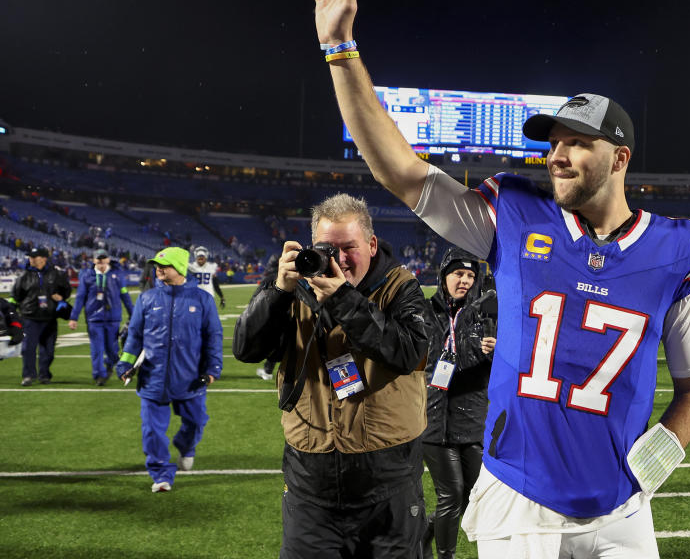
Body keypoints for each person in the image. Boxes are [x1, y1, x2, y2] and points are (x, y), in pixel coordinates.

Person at [311, 0, 690, 557]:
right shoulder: (515, 215)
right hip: (520, 496)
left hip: (622, 506)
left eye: (577, 143)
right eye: (552, 142)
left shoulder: (678, 249)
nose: (557, 155)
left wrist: (656, 460)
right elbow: (401, 171)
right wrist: (340, 52)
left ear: (620, 158)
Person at [232, 193, 434, 559]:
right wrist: (278, 290)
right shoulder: (291, 287)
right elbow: (247, 349)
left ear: (372, 245)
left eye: (349, 247)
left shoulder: (400, 286)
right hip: (310, 482)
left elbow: (409, 352)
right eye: (329, 248)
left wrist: (342, 298)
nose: (339, 259)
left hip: (387, 481)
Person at [115, 247, 222, 492]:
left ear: (181, 268)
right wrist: (125, 363)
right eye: (157, 265)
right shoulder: (147, 298)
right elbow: (135, 336)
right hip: (153, 379)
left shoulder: (202, 299)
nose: (159, 269)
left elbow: (213, 337)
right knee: (152, 431)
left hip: (191, 379)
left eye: (165, 265)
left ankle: (185, 446)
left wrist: (213, 367)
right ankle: (161, 474)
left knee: (196, 423)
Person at [422, 249, 496, 559]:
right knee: (450, 494)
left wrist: (493, 351)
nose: (464, 280)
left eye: (470, 276)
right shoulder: (425, 311)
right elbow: (427, 357)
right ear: (443, 277)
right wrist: (473, 350)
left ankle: (423, 534)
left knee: (470, 495)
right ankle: (446, 556)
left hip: (472, 418)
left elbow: (500, 365)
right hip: (435, 417)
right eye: (458, 274)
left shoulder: (486, 314)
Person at [68, 248, 135, 385]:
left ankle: (110, 364)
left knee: (112, 348)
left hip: (113, 318)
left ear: (108, 260)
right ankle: (99, 375)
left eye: (103, 260)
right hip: (94, 319)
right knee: (97, 348)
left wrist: (134, 315)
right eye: (98, 260)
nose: (101, 263)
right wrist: (74, 317)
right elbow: (80, 298)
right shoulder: (87, 276)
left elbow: (125, 296)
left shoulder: (117, 275)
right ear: (94, 261)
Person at [11, 247, 71, 386]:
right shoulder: (24, 276)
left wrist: (61, 296)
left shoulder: (56, 274)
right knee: (28, 349)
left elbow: (66, 290)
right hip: (30, 317)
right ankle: (28, 376)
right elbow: (16, 295)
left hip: (49, 317)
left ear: (44, 258)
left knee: (48, 351)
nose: (31, 259)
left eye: (34, 256)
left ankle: (44, 374)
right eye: (30, 257)